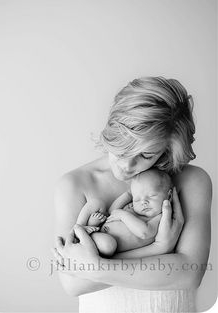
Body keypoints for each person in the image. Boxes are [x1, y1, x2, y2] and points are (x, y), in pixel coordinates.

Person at [52, 77, 212, 313]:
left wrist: (95, 267)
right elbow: (73, 283)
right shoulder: (75, 184)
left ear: (167, 150)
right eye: (123, 145)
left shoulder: (192, 181)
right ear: (111, 127)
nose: (127, 165)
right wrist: (158, 249)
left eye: (146, 155)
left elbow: (189, 274)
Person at [76, 168, 173, 257]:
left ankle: (86, 234)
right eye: (137, 199)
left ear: (169, 196)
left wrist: (123, 215)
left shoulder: (160, 217)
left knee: (108, 244)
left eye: (151, 196)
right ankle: (80, 227)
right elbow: (112, 212)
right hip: (102, 224)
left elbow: (145, 233)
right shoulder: (132, 207)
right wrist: (128, 195)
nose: (143, 202)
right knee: (96, 203)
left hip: (107, 244)